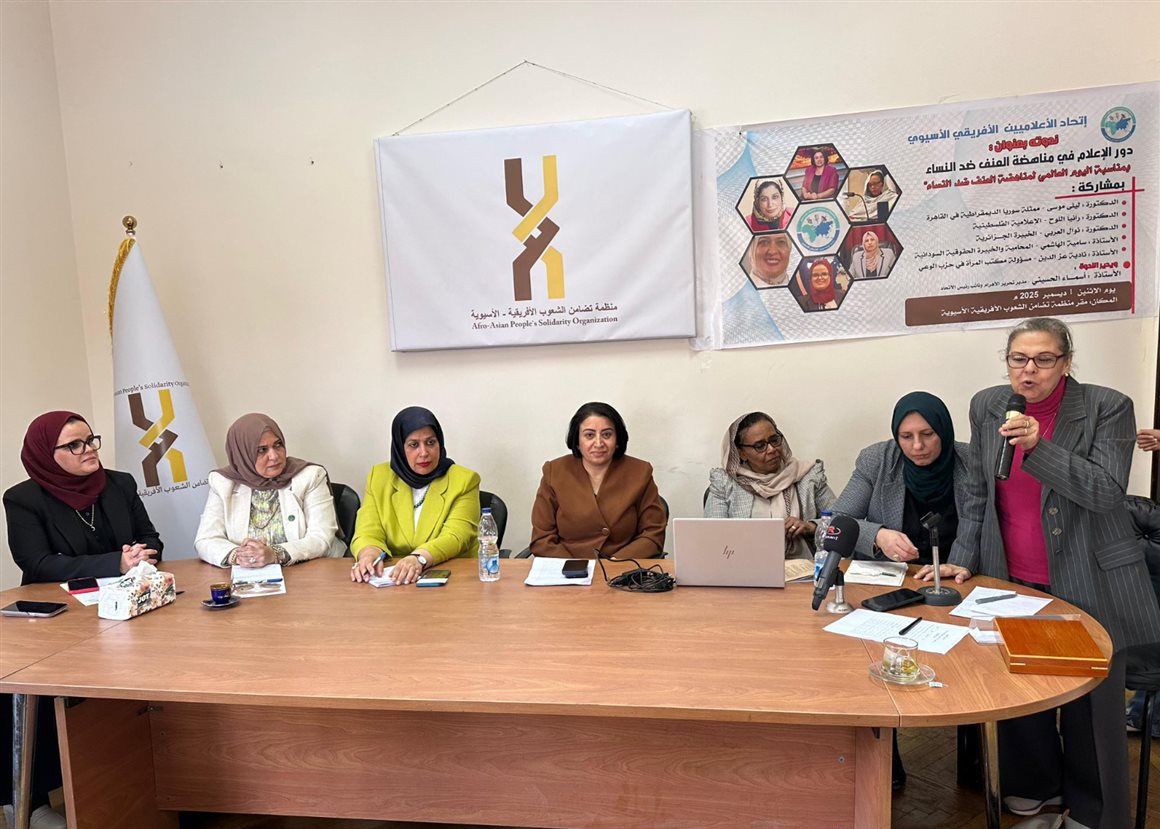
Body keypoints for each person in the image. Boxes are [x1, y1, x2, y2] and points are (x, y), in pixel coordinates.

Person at [917, 317, 1160, 829]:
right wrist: (965, 553)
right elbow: (978, 490)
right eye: (1018, 359)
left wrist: (1038, 448)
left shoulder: (1108, 406)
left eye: (1044, 359)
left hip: (1089, 576)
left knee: (1090, 704)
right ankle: (1034, 788)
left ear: (1066, 363)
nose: (1029, 371)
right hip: (1012, 574)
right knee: (1019, 690)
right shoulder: (988, 404)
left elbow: (1105, 491)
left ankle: (1092, 810)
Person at [3, 410, 164, 829]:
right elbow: (37, 563)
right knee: (24, 691)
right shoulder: (23, 499)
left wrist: (140, 555)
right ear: (46, 453)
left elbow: (151, 538)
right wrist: (116, 562)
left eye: (90, 440)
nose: (88, 449)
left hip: (124, 610)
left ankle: (139, 784)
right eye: (74, 445)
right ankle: (28, 803)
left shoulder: (120, 483)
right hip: (59, 619)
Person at [833, 391, 972, 790]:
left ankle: (975, 758)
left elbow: (987, 522)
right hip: (894, 583)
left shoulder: (970, 462)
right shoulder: (876, 460)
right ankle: (884, 769)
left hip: (958, 581)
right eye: (906, 436)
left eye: (927, 435)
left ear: (944, 431)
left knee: (971, 666)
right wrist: (878, 536)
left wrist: (962, 561)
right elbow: (837, 522)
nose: (917, 446)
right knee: (875, 663)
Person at [195, 413, 345, 568]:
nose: (274, 456)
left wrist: (275, 554)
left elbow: (321, 537)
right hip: (248, 575)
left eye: (278, 445)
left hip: (311, 569)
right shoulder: (223, 482)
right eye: (262, 450)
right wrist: (239, 556)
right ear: (242, 453)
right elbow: (206, 540)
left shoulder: (310, 476)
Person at [349, 407, 480, 585]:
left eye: (430, 442)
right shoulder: (378, 477)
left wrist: (419, 558)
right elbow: (368, 529)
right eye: (414, 445)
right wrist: (368, 554)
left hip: (452, 577)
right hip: (393, 581)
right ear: (400, 447)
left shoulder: (464, 480)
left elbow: (456, 536)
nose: (424, 453)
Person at [530, 401, 665, 559]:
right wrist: (574, 567)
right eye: (589, 435)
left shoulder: (640, 472)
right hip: (567, 568)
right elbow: (542, 539)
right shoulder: (554, 472)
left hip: (623, 567)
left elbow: (653, 533)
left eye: (607, 434)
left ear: (618, 440)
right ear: (577, 441)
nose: (599, 443)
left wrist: (616, 564)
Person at [705, 412, 835, 560]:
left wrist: (811, 527)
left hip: (804, 567)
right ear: (741, 453)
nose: (772, 449)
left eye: (774, 440)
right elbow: (714, 535)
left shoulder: (807, 476)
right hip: (744, 566)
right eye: (760, 446)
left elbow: (841, 522)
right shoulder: (725, 483)